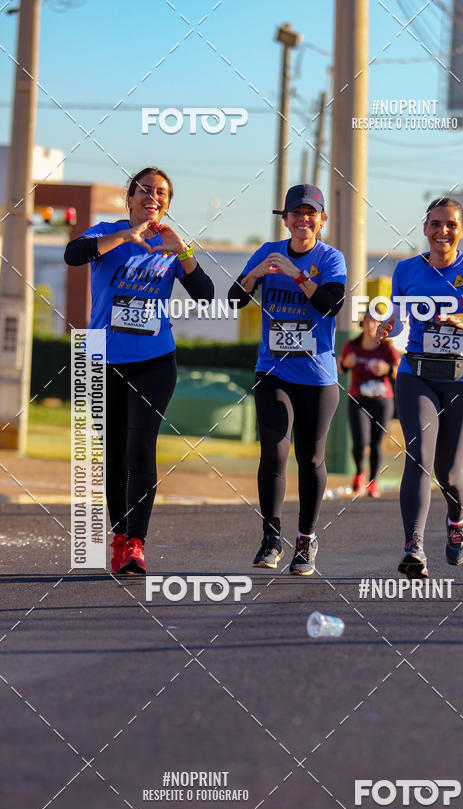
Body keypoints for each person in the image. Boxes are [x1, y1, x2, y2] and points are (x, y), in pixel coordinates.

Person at [65, 166, 214, 575]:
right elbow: (73, 255)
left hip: (154, 360)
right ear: (129, 198)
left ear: (167, 204)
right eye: (145, 190)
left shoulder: (169, 244)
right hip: (100, 357)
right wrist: (125, 237)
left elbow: (205, 295)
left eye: (162, 193)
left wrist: (181, 250)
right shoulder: (106, 232)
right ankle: (119, 532)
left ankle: (136, 542)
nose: (153, 196)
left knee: (139, 447)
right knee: (113, 452)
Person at [378, 197, 463, 578]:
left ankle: (457, 521)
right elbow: (401, 317)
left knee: (448, 469)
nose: (443, 232)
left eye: (451, 225)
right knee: (418, 458)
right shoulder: (406, 270)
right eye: (436, 224)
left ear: (462, 231)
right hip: (416, 374)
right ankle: (414, 548)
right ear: (425, 228)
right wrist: (390, 324)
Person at [228, 184, 346, 575]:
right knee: (274, 453)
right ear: (286, 219)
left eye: (310, 213)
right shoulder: (267, 252)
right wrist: (255, 274)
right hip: (273, 369)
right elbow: (233, 299)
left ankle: (307, 539)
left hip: (317, 375)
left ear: (321, 219)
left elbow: (330, 306)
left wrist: (297, 275)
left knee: (309, 458)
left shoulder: (331, 259)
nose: (302, 220)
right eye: (295, 213)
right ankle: (270, 537)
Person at [338, 311, 399, 498]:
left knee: (376, 442)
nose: (371, 325)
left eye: (375, 322)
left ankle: (373, 481)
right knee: (359, 440)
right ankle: (359, 474)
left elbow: (399, 371)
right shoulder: (352, 345)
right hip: (358, 397)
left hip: (382, 400)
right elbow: (340, 366)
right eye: (368, 321)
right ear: (362, 323)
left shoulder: (387, 348)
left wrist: (387, 368)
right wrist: (346, 362)